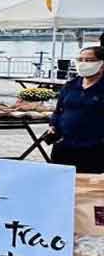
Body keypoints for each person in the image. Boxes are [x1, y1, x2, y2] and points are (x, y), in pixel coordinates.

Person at [48, 45, 104, 173]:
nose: (83, 63)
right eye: (80, 59)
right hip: (64, 147)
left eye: (89, 60)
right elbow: (58, 111)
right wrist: (53, 124)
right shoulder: (70, 86)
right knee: (60, 180)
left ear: (102, 64)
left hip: (94, 150)